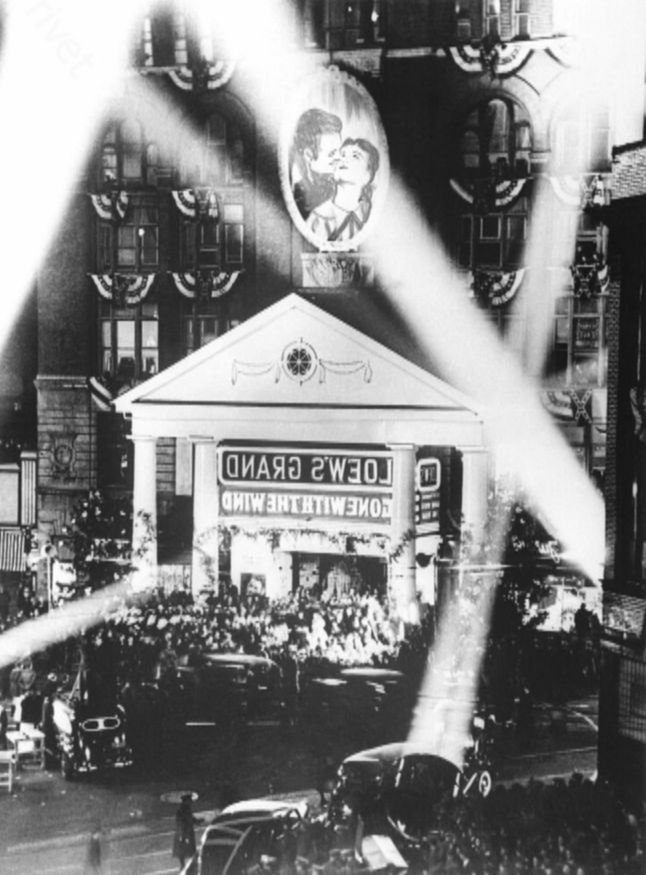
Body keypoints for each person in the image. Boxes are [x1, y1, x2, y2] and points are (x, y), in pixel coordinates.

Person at [306, 137, 380, 245]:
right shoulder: (318, 218)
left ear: (367, 176)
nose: (344, 159)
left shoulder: (369, 218)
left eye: (355, 156)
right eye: (342, 155)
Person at [291, 108, 343, 218]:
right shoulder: (297, 198)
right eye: (331, 154)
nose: (339, 158)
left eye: (340, 151)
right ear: (308, 155)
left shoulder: (340, 189)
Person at [172, 793, 201, 873]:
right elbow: (180, 821)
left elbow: (191, 818)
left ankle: (190, 865)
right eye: (189, 800)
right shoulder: (181, 809)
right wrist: (182, 833)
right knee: (182, 849)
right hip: (183, 832)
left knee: (188, 849)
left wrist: (197, 821)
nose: (191, 802)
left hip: (187, 831)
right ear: (186, 801)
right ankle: (184, 865)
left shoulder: (186, 808)